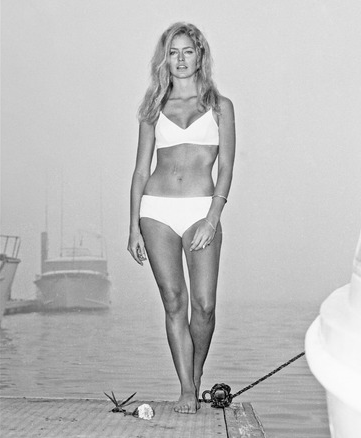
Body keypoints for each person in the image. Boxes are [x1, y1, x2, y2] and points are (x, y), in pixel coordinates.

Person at [128, 22, 235, 415]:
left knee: (204, 305)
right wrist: (133, 227)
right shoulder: (153, 107)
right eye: (173, 52)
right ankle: (187, 389)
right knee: (174, 301)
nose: (180, 59)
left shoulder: (221, 107)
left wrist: (212, 217)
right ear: (165, 58)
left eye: (187, 50)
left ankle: (197, 373)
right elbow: (141, 170)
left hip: (200, 211)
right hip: (156, 210)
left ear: (200, 55)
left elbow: (225, 169)